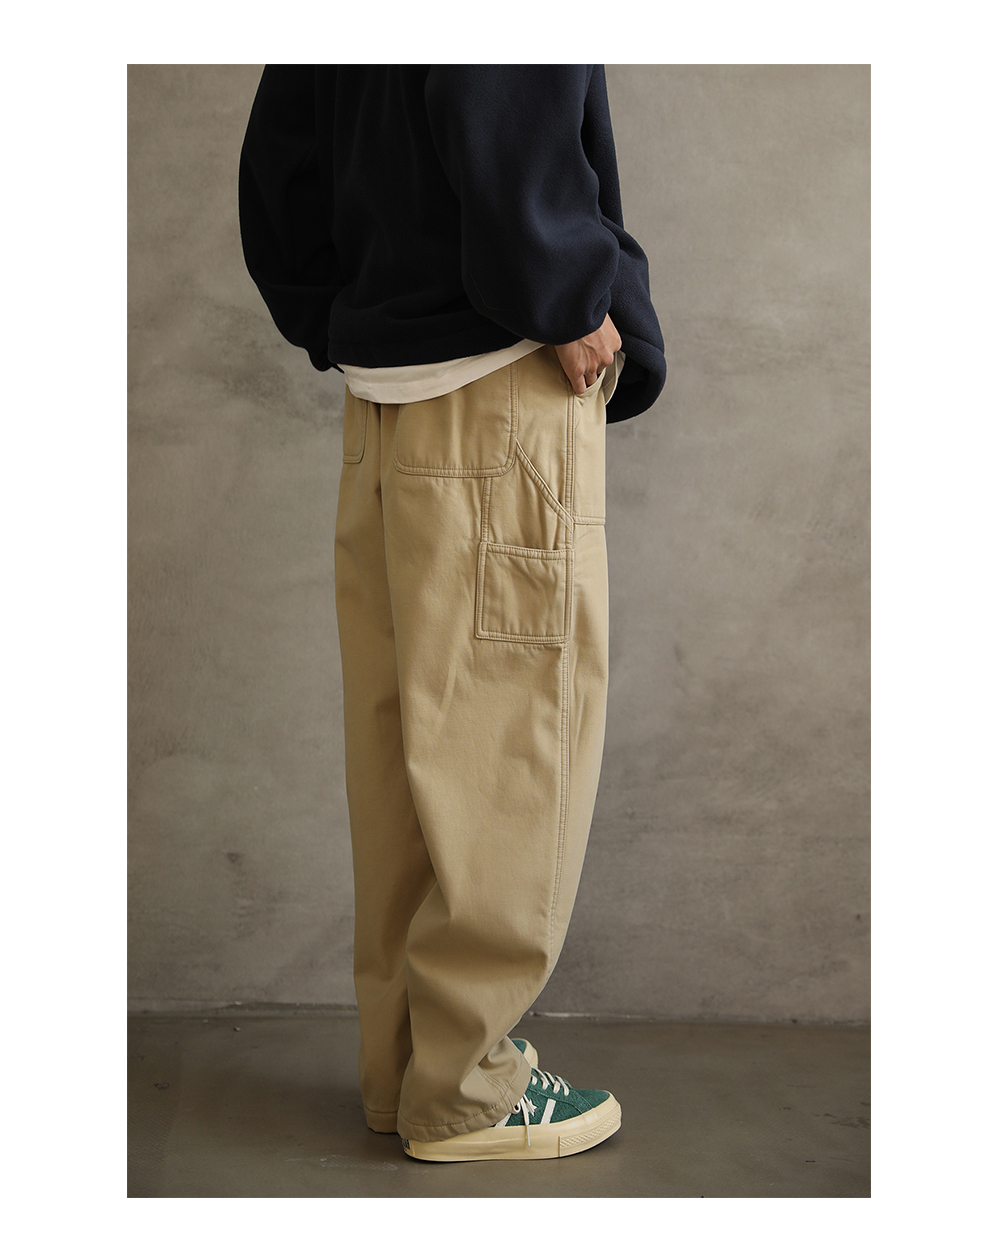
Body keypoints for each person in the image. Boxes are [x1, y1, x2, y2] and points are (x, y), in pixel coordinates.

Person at [239, 64, 665, 1163]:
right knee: (503, 754)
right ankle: (468, 1088)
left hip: (385, 396)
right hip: (497, 383)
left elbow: (285, 147)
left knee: (405, 762)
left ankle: (407, 1070)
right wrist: (566, 292)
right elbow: (499, 76)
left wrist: (345, 310)